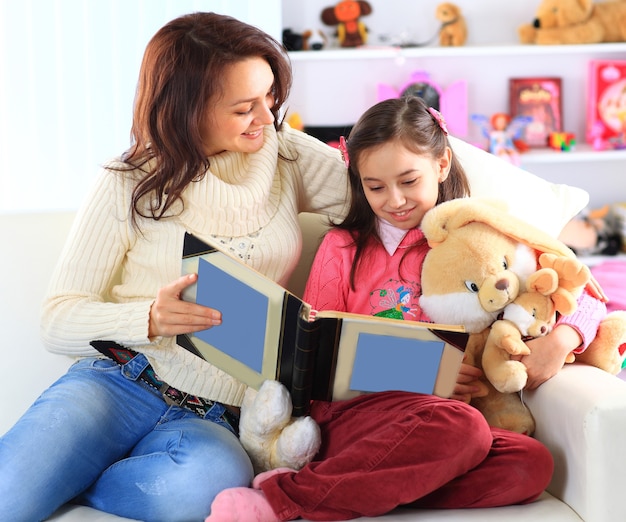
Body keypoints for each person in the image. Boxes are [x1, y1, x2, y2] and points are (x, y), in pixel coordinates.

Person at [0, 12, 351, 522]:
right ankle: (63, 465)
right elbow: (57, 319)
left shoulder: (285, 154)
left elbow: (376, 198)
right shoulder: (128, 180)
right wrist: (149, 318)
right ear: (189, 109)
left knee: (194, 494)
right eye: (243, 107)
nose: (266, 115)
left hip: (215, 415)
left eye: (270, 94)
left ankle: (83, 477)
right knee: (9, 495)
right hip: (119, 382)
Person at [206, 96, 609, 521]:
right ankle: (282, 499)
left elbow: (582, 291)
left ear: (441, 164)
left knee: (530, 464)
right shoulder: (343, 248)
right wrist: (418, 373)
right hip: (359, 417)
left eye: (408, 181)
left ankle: (358, 485)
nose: (394, 200)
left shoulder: (478, 236)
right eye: (375, 186)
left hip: (442, 427)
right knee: (464, 429)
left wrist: (564, 338)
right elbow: (318, 352)